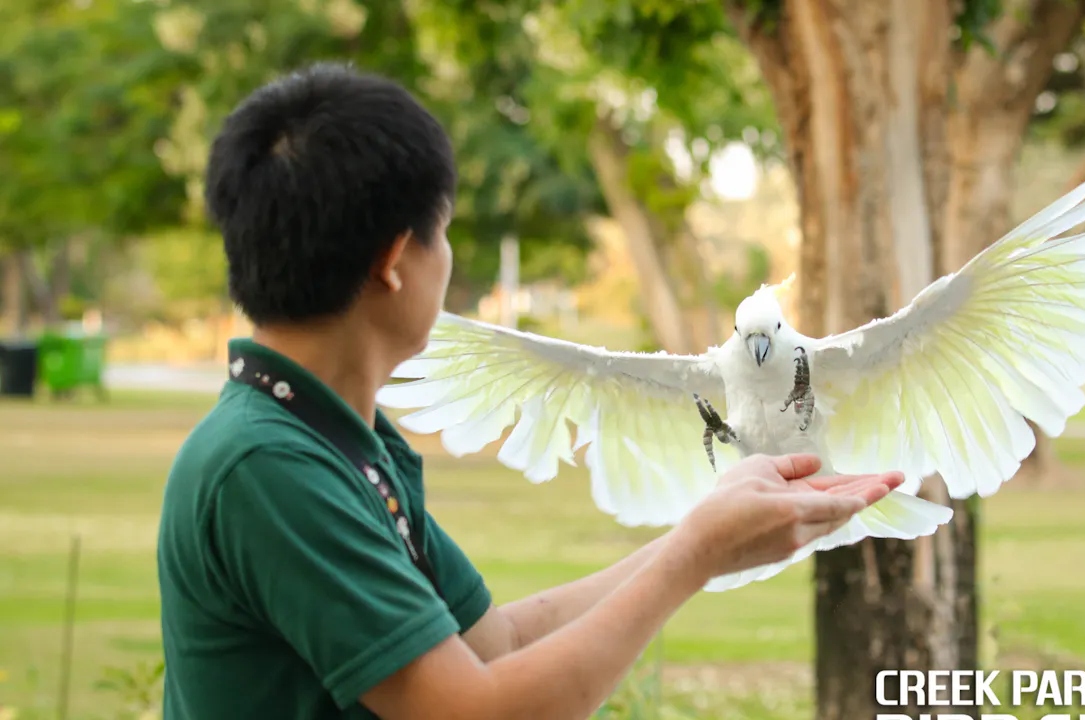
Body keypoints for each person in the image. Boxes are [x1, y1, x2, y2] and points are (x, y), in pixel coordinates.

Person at [155, 62, 905, 720]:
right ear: (393, 261)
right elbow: (474, 711)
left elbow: (494, 645)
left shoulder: (340, 443)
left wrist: (703, 534)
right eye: (442, 234)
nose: (447, 260)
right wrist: (693, 558)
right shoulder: (266, 468)